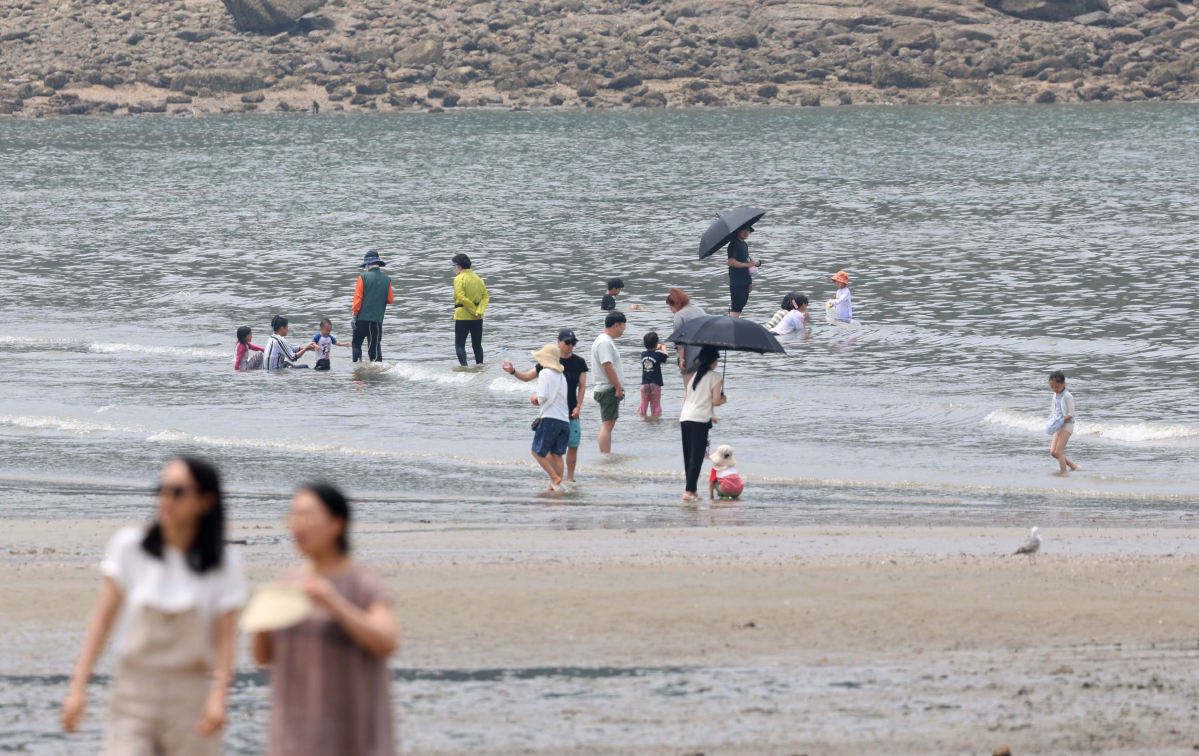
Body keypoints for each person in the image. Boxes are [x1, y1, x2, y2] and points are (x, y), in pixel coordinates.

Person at [61, 457, 246, 755]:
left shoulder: (224, 564)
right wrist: (78, 686)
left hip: (191, 697)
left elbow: (226, 638)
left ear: (206, 501)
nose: (167, 499)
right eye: (162, 489)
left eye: (178, 491)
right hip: (132, 694)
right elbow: (102, 620)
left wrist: (219, 695)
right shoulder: (129, 547)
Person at [253, 483, 398, 756]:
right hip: (292, 741)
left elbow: (387, 641)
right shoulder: (285, 584)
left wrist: (336, 605)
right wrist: (259, 622)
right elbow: (263, 657)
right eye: (294, 515)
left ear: (337, 524)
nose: (297, 525)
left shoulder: (361, 583)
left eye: (307, 515)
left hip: (351, 739)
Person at [504, 329, 589, 482]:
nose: (571, 345)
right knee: (555, 451)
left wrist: (579, 406)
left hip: (570, 412)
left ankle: (568, 479)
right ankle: (556, 479)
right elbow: (527, 377)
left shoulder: (579, 362)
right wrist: (513, 371)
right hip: (556, 413)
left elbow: (582, 386)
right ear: (558, 342)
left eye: (573, 343)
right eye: (567, 342)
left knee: (572, 447)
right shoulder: (547, 364)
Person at [679, 345, 725, 503]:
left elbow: (692, 399)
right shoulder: (716, 376)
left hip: (685, 417)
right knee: (697, 457)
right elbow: (716, 401)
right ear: (713, 360)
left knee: (689, 457)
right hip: (699, 420)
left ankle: (692, 490)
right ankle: (688, 491)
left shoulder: (695, 375)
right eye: (716, 359)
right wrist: (724, 399)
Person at [527, 344, 570, 490]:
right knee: (558, 455)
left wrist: (535, 399)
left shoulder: (544, 373)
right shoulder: (562, 376)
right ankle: (555, 485)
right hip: (564, 419)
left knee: (536, 452)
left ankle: (553, 477)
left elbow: (543, 396)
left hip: (550, 418)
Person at [591, 311, 627, 454]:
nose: (624, 329)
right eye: (624, 325)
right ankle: (606, 456)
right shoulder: (605, 342)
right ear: (616, 325)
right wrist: (618, 387)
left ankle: (606, 455)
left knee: (608, 424)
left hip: (605, 388)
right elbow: (607, 366)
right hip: (608, 389)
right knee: (607, 425)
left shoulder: (603, 340)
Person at [351, 250, 394, 363]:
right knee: (374, 349)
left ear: (368, 264)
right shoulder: (387, 279)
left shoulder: (363, 277)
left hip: (361, 319)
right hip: (377, 320)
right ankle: (377, 374)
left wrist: (354, 315)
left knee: (356, 344)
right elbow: (390, 300)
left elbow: (358, 298)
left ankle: (357, 368)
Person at [452, 253, 489, 366]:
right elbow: (485, 297)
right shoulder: (479, 279)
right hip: (478, 318)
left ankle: (464, 368)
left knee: (459, 344)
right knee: (477, 345)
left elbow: (461, 297)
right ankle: (480, 366)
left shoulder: (459, 278)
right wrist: (479, 311)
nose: (454, 269)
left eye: (454, 266)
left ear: (459, 266)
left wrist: (474, 311)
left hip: (463, 315)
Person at [1046, 370, 1080, 473]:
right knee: (1053, 452)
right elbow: (1055, 411)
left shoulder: (1067, 396)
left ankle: (1063, 474)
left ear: (1063, 383)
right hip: (1058, 425)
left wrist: (1061, 420)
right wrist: (1053, 421)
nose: (1054, 389)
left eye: (1057, 387)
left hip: (1067, 426)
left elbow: (1072, 413)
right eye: (1052, 387)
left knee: (1058, 452)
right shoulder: (1055, 395)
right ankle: (1073, 466)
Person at [666, 289, 707, 374]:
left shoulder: (679, 315)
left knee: (689, 386)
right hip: (705, 355)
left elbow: (679, 340)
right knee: (703, 386)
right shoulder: (700, 310)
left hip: (690, 357)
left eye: (671, 308)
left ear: (675, 304)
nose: (672, 311)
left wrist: (681, 359)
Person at [727, 227, 759, 318]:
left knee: (740, 308)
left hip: (745, 281)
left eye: (748, 230)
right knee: (736, 310)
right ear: (737, 230)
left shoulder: (744, 244)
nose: (746, 232)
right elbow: (731, 262)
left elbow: (746, 263)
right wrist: (748, 264)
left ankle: (734, 327)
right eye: (744, 230)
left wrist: (749, 282)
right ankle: (729, 328)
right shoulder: (734, 244)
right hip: (737, 282)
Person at [638, 331, 668, 417]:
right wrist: (664, 348)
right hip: (655, 384)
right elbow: (666, 356)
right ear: (656, 343)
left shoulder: (643, 354)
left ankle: (642, 421)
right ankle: (655, 423)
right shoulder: (658, 355)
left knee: (643, 406)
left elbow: (651, 351)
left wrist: (656, 346)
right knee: (655, 407)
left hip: (644, 385)